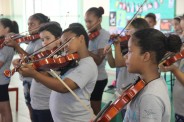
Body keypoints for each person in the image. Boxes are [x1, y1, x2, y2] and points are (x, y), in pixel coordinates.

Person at [18, 26, 98, 122]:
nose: (64, 46)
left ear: (81, 38)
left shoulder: (87, 65)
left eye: (67, 41)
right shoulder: (71, 62)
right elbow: (47, 76)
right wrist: (31, 68)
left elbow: (63, 87)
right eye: (62, 43)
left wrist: (34, 74)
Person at [4, 13, 50, 120]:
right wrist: (19, 61)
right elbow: (27, 59)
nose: (29, 27)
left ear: (42, 25)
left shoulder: (40, 42)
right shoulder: (32, 41)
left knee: (34, 111)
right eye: (28, 24)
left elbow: (33, 60)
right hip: (27, 81)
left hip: (34, 82)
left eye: (32, 24)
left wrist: (16, 46)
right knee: (31, 109)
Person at [123, 28, 174, 122]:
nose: (125, 56)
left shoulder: (150, 97)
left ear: (146, 56)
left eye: (130, 51)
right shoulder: (149, 82)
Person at [105, 18, 150, 119]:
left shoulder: (138, 50)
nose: (126, 32)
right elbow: (114, 64)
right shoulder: (129, 48)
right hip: (123, 91)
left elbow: (120, 63)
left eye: (129, 30)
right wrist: (108, 53)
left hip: (132, 92)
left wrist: (117, 45)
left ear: (139, 31)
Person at [85, 6, 110, 115]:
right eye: (86, 21)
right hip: (89, 76)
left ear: (99, 20)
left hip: (98, 78)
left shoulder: (104, 35)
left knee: (95, 111)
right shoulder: (88, 35)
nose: (87, 25)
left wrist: (83, 49)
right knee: (88, 109)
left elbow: (99, 60)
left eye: (90, 21)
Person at [159, 35, 184, 121]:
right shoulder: (180, 56)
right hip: (179, 107)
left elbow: (174, 69)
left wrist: (174, 70)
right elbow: (163, 67)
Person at [0, 18, 19, 122]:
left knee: (5, 108)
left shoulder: (7, 45)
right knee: (1, 109)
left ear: (7, 29)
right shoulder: (3, 43)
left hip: (2, 80)